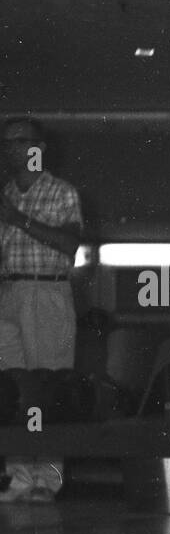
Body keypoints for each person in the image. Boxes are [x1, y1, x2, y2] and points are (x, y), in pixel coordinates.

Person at [0, 118, 83, 505]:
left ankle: (46, 481)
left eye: (18, 142)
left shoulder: (60, 192)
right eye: (6, 143)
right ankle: (18, 478)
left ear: (38, 147)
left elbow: (68, 244)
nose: (10, 149)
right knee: (13, 389)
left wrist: (17, 219)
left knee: (45, 387)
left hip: (46, 291)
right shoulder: (5, 193)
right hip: (9, 291)